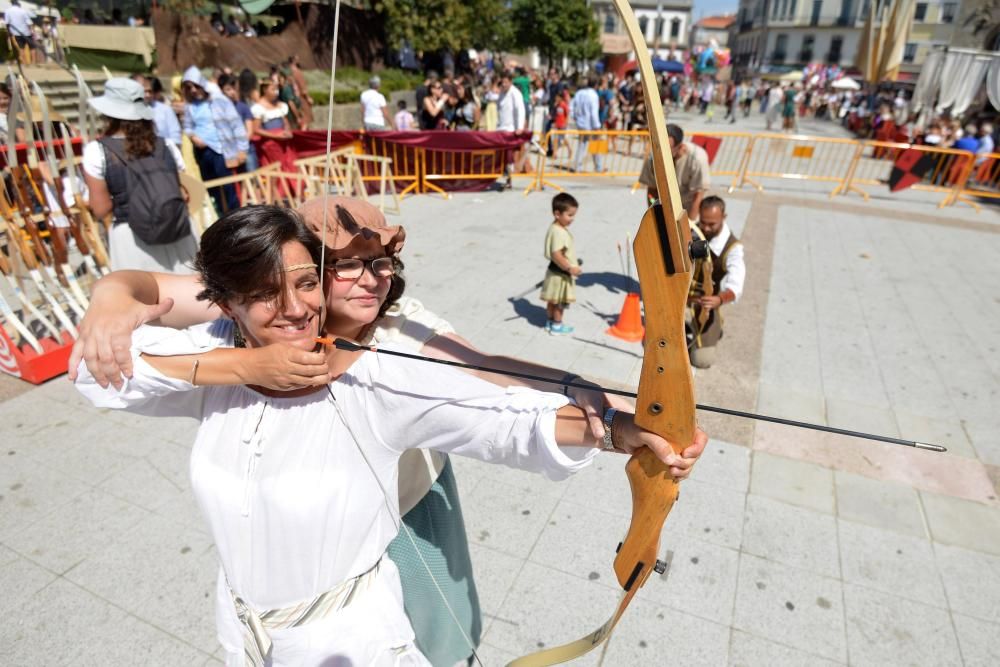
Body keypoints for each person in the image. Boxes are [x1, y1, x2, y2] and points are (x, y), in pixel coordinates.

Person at [70, 202, 707, 666]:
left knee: (442, 620)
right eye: (346, 266)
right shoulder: (234, 335)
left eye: (379, 263)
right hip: (249, 631)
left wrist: (620, 424)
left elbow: (494, 399)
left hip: (379, 558)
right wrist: (236, 361)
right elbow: (104, 365)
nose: (297, 306)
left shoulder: (390, 358)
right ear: (231, 306)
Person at [81, 78, 196, 273]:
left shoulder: (96, 151)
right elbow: (184, 193)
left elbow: (101, 209)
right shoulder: (165, 144)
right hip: (178, 230)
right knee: (193, 296)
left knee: (148, 301)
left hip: (132, 237)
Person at [687, 195, 744, 369]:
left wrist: (719, 300)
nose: (705, 227)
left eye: (712, 224)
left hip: (707, 305)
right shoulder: (690, 232)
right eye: (703, 222)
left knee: (702, 361)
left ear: (723, 218)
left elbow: (736, 284)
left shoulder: (732, 247)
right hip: (682, 300)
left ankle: (713, 327)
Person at [181, 66, 249, 214]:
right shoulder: (190, 106)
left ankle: (236, 217)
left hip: (220, 149)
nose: (193, 90)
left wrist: (242, 149)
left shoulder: (218, 100)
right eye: (189, 87)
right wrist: (193, 137)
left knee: (228, 187)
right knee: (212, 189)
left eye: (196, 86)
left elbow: (236, 124)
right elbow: (187, 126)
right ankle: (220, 217)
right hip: (202, 152)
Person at [638, 123, 711, 222]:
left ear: (680, 147)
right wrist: (655, 215)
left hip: (689, 207)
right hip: (666, 208)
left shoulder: (697, 159)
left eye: (667, 149)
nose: (662, 153)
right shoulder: (653, 158)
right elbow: (651, 191)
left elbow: (698, 195)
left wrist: (690, 224)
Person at [541, 192, 582, 335]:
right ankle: (557, 326)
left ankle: (550, 322)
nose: (572, 219)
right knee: (560, 303)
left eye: (573, 215)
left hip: (553, 272)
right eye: (569, 215)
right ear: (557, 214)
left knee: (552, 300)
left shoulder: (554, 228)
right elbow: (556, 254)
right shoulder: (559, 233)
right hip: (561, 274)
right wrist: (570, 268)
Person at [251, 80, 297, 196]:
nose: (276, 92)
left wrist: (287, 131)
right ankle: (277, 195)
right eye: (273, 89)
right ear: (265, 90)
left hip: (284, 142)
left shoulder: (280, 105)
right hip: (270, 144)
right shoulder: (258, 107)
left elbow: (285, 121)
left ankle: (290, 193)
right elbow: (256, 129)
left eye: (277, 89)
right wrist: (276, 136)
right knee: (276, 169)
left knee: (289, 165)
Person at [570, 74, 604, 174]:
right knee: (595, 144)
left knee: (582, 144)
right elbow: (593, 113)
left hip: (581, 123)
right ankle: (598, 167)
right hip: (590, 124)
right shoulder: (593, 95)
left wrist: (575, 117)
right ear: (596, 85)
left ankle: (578, 166)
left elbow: (572, 106)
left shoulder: (579, 93)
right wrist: (597, 126)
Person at [4, 0, 36, 65]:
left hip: (16, 33)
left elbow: (7, 23)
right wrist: (33, 31)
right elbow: (29, 23)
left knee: (21, 48)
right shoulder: (23, 11)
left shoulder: (8, 11)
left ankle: (23, 63)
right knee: (32, 47)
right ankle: (33, 63)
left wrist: (9, 32)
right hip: (26, 32)